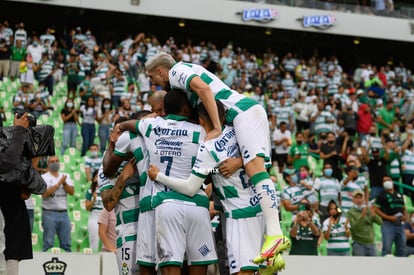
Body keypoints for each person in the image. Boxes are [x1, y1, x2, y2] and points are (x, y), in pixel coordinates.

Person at [144, 53, 288, 268]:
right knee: (254, 169)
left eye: (152, 78)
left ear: (160, 71)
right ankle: (273, 254)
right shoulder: (183, 80)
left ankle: (275, 234)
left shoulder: (176, 72)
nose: (154, 83)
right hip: (246, 113)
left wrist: (217, 127)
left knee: (256, 170)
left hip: (242, 113)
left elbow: (203, 89)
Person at [119, 90, 219, 275]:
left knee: (170, 266)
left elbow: (132, 124)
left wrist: (121, 126)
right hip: (197, 205)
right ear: (185, 107)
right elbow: (210, 169)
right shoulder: (200, 130)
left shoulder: (151, 125)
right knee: (199, 264)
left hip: (167, 204)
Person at [100, 116, 145, 275]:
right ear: (112, 136)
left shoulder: (145, 158)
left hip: (153, 231)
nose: (123, 137)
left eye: (126, 132)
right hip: (128, 236)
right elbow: (108, 203)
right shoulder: (105, 169)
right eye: (119, 133)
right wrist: (124, 177)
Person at [0, 113, 30, 275]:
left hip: (11, 225)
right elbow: (7, 161)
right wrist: (18, 130)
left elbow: (26, 192)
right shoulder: (9, 158)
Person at [41, 155, 75, 252]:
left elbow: (72, 192)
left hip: (63, 213)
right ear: (48, 163)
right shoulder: (44, 177)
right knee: (48, 243)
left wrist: (64, 183)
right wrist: (58, 183)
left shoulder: (66, 176)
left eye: (57, 161)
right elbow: (44, 194)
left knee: (66, 244)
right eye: (52, 161)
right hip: (49, 213)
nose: (55, 163)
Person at [373, 175, 407, 256]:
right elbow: (376, 209)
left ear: (392, 181)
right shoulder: (381, 195)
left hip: (400, 223)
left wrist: (405, 215)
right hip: (388, 224)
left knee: (402, 248)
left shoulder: (399, 194)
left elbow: (403, 207)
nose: (387, 182)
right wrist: (388, 217)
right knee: (387, 248)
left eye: (388, 180)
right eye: (384, 181)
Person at [346, 190, 383, 256]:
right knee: (360, 265)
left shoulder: (368, 210)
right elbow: (353, 228)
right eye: (356, 198)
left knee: (375, 265)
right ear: (353, 200)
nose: (359, 200)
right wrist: (362, 216)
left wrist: (374, 215)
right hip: (359, 244)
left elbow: (380, 222)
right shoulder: (350, 213)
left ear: (364, 199)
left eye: (360, 197)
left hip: (371, 244)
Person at [84, 170, 103, 252]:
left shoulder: (107, 190)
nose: (98, 178)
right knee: (94, 242)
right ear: (94, 179)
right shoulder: (90, 191)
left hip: (105, 216)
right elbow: (87, 207)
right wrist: (94, 200)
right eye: (96, 176)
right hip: (94, 216)